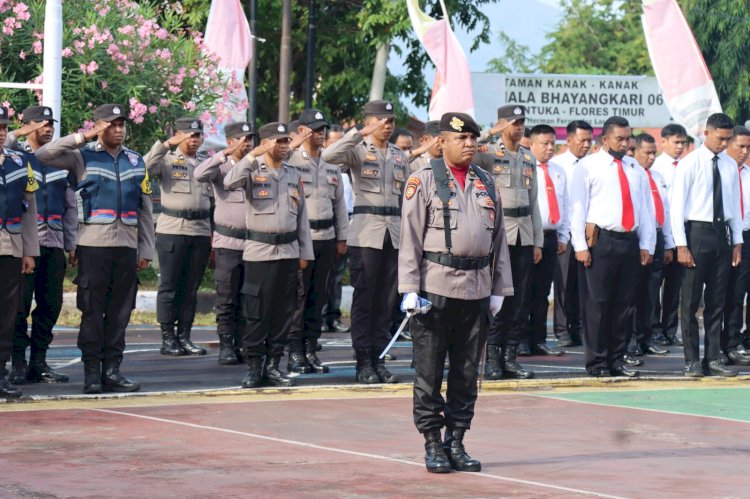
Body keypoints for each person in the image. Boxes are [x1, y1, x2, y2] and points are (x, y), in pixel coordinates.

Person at [399, 112, 512, 474]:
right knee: (429, 372)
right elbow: (410, 240)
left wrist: (500, 289)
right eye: (460, 138)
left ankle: (457, 440)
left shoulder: (486, 183)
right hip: (435, 288)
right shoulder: (424, 180)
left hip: (477, 288)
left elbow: (500, 242)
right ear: (441, 141)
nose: (468, 144)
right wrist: (408, 289)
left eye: (472, 139)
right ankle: (432, 442)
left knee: (466, 372)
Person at [36, 103, 155, 394]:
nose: (117, 130)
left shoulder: (135, 160)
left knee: (120, 312)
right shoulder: (81, 157)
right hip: (93, 245)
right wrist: (85, 136)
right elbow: (42, 154)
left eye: (121, 125)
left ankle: (112, 371)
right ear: (100, 126)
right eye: (111, 125)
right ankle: (91, 373)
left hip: (126, 246)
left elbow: (145, 208)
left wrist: (147, 248)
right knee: (92, 311)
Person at [321, 100, 408, 384]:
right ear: (370, 122)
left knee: (386, 301)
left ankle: (379, 358)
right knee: (365, 300)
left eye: (391, 121)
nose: (388, 126)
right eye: (382, 121)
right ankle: (363, 363)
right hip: (366, 233)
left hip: (393, 233)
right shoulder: (357, 150)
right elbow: (329, 156)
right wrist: (358, 133)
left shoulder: (399, 155)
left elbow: (406, 197)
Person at [224, 122, 314, 388]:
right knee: (256, 312)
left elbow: (302, 217)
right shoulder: (251, 169)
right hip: (259, 254)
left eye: (287, 142)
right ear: (266, 144)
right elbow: (229, 181)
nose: (285, 147)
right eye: (279, 142)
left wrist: (304, 251)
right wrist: (252, 155)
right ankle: (254, 367)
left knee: (282, 312)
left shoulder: (292, 174)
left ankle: (274, 365)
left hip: (287, 252)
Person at [570, 116, 655, 378]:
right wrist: (580, 246)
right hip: (600, 241)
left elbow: (646, 209)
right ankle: (597, 363)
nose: (625, 142)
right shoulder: (588, 166)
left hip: (629, 241)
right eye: (620, 138)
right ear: (605, 139)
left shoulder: (634, 168)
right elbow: (577, 208)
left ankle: (617, 359)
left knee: (625, 305)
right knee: (598, 305)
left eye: (628, 138)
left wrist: (647, 243)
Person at [669, 113, 742, 377]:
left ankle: (713, 357)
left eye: (727, 139)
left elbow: (734, 205)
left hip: (721, 234)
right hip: (696, 234)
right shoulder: (689, 163)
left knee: (717, 301)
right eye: (720, 138)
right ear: (707, 134)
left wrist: (737, 241)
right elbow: (676, 207)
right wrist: (681, 245)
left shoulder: (729, 165)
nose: (724, 143)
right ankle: (691, 360)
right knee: (689, 302)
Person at [473, 104, 542, 379]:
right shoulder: (489, 153)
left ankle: (510, 357)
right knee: (496, 298)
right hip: (497, 234)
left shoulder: (528, 157)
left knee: (519, 300)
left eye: (521, 122)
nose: (519, 127)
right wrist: (490, 133)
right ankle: (491, 358)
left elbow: (534, 201)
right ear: (502, 124)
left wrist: (537, 240)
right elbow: (464, 151)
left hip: (523, 232)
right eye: (513, 122)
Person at [7, 106, 74, 386]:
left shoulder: (60, 161)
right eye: (42, 124)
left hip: (54, 243)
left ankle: (39, 362)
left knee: (50, 305)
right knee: (19, 307)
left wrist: (72, 244)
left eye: (51, 124)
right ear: (27, 126)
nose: (48, 128)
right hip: (24, 246)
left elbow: (71, 205)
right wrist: (16, 133)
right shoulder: (14, 156)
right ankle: (19, 363)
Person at [286, 109, 348, 374]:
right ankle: (294, 353)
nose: (320, 133)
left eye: (323, 129)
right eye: (314, 129)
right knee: (298, 297)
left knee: (319, 296)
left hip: (327, 238)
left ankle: (311, 349)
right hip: (304, 238)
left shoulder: (331, 164)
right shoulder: (292, 160)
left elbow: (340, 205)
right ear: (302, 131)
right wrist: (293, 145)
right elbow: (272, 161)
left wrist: (342, 237)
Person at [144, 117, 212, 357]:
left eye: (197, 136)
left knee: (190, 288)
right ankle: (167, 337)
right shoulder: (167, 160)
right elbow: (144, 167)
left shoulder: (207, 163)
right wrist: (166, 144)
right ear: (179, 136)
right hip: (173, 229)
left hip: (201, 229)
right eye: (188, 135)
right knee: (169, 286)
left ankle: (184, 336)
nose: (194, 140)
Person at [194, 122, 257, 365]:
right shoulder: (220, 167)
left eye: (250, 138)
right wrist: (223, 155)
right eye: (242, 139)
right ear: (230, 141)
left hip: (253, 243)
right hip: (228, 243)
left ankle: (243, 343)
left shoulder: (253, 165)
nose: (247, 143)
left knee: (248, 297)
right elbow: (199, 174)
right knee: (227, 297)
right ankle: (227, 346)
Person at [0, 106, 39, 398]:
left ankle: (0, 374)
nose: (1, 133)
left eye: (4, 127)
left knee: (7, 315)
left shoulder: (18, 162)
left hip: (11, 247)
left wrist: (29, 251)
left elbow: (29, 210)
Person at [628, 133, 673, 361]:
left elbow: (663, 212)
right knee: (633, 294)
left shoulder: (657, 176)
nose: (651, 157)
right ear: (635, 151)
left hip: (657, 238)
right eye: (646, 152)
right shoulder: (631, 174)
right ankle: (632, 341)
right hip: (636, 240)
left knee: (651, 294)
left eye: (654, 152)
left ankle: (648, 338)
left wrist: (668, 243)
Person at [551, 120, 593, 347]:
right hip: (564, 234)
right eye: (582, 140)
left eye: (589, 140)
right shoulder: (558, 165)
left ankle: (578, 328)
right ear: (568, 140)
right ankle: (561, 329)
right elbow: (565, 204)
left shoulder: (593, 165)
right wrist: (564, 236)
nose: (586, 145)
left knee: (583, 286)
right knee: (564, 285)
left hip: (589, 234)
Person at [528, 124, 567, 356]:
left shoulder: (558, 171)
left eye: (553, 143)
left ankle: (539, 338)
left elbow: (566, 204)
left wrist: (563, 235)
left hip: (552, 236)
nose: (550, 148)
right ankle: (520, 339)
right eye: (545, 143)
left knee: (543, 293)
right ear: (531, 144)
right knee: (525, 291)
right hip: (531, 237)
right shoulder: (525, 169)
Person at [650, 123, 689, 346]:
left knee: (675, 287)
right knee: (655, 284)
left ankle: (670, 329)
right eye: (676, 142)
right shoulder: (656, 168)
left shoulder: (686, 166)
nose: (680, 147)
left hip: (681, 235)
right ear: (663, 142)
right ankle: (654, 328)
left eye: (683, 142)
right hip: (660, 233)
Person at [721, 126, 750, 366]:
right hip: (727, 237)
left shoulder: (749, 172)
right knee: (729, 293)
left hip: (747, 236)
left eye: (748, 147)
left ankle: (741, 340)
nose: (744, 151)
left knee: (743, 292)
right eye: (740, 146)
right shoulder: (721, 171)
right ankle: (727, 343)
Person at [321, 124, 352, 333]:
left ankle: (334, 315)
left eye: (343, 141)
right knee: (323, 276)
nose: (340, 146)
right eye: (335, 141)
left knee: (338, 276)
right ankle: (321, 316)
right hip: (323, 227)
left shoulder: (347, 167)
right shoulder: (320, 165)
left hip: (346, 224)